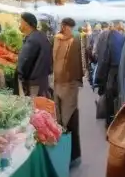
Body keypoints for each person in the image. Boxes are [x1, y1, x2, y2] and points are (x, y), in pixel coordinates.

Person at [53, 17, 83, 164]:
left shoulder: (76, 40)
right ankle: (63, 153)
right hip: (57, 84)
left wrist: (77, 80)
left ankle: (73, 155)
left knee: (69, 118)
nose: (67, 29)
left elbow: (80, 62)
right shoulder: (56, 39)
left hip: (70, 85)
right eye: (66, 27)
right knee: (58, 119)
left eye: (70, 27)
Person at [16, 12, 53, 97]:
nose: (19, 24)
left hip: (34, 83)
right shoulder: (41, 36)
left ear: (26, 23)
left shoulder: (32, 40)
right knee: (40, 106)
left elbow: (25, 61)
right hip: (42, 80)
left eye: (20, 22)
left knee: (34, 107)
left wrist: (21, 77)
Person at [95, 22, 125, 126]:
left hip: (109, 70)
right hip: (117, 69)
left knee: (109, 95)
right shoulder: (121, 37)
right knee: (116, 94)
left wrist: (99, 76)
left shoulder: (105, 36)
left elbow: (102, 56)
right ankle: (115, 120)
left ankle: (109, 121)